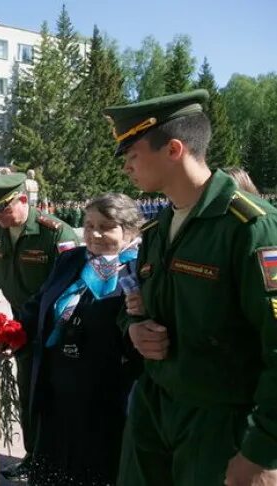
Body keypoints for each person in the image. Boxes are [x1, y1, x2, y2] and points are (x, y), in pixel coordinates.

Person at [104, 89, 277, 485]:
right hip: (154, 411)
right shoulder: (157, 229)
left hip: (220, 427)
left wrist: (261, 450)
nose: (126, 167)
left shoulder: (250, 228)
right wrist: (132, 328)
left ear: (174, 149)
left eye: (132, 155)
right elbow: (137, 304)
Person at [21, 193, 143, 485]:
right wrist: (11, 332)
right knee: (54, 462)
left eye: (106, 226)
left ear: (130, 230)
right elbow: (39, 305)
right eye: (88, 225)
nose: (94, 234)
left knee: (96, 468)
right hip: (57, 386)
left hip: (107, 394)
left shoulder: (141, 269)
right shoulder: (71, 259)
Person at [0, 173, 80, 481]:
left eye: (4, 208)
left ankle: (63, 461)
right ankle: (34, 458)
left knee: (57, 396)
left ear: (24, 200)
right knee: (28, 392)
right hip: (22, 329)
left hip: (57, 328)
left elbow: (73, 284)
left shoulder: (55, 233)